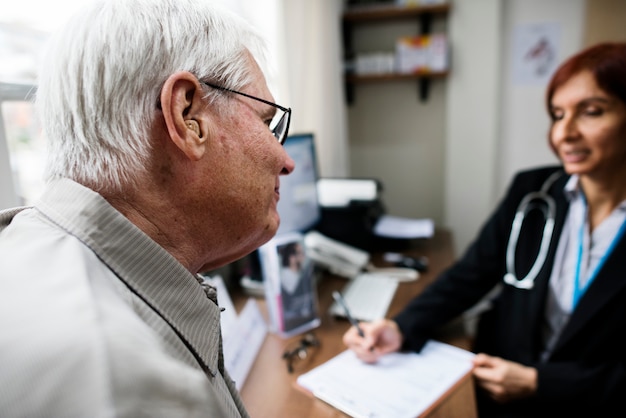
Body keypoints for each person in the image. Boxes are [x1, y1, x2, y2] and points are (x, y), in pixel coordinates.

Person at [0, 0, 294, 416]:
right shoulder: (126, 381)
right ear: (187, 115)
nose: (286, 160)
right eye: (268, 123)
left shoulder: (26, 253)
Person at [342, 42, 626, 418]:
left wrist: (541, 383)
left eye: (591, 112)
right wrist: (401, 326)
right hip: (501, 391)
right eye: (557, 115)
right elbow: (471, 274)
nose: (565, 132)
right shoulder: (534, 192)